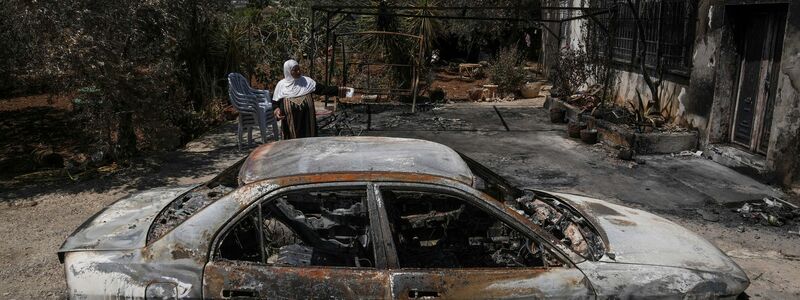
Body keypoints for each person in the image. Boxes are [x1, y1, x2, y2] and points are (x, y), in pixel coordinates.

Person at [272, 59, 348, 139]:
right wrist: (277, 111)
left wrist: (341, 90)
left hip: (308, 124)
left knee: (309, 144)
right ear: (288, 71)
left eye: (299, 69)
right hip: (290, 126)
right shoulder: (281, 85)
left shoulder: (307, 82)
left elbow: (323, 89)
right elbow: (275, 103)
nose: (298, 72)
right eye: (295, 70)